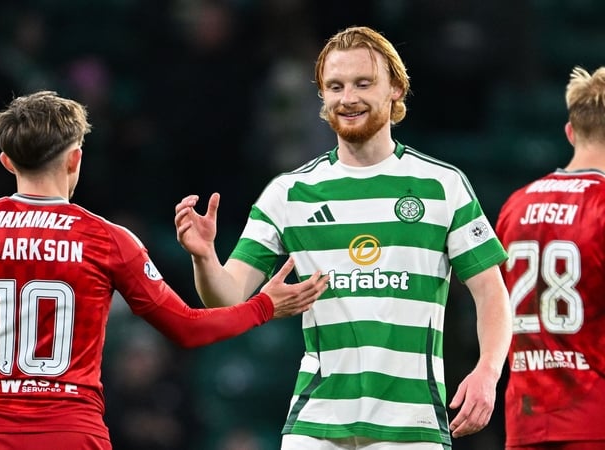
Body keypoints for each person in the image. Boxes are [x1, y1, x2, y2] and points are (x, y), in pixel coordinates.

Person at [0, 90, 328, 450]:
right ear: (75, 158)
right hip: (75, 434)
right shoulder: (107, 240)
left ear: (7, 162)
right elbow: (187, 329)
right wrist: (264, 306)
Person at [174, 25, 512, 449]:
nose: (347, 97)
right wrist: (204, 257)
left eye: (362, 83)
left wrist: (487, 372)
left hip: (411, 427)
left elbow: (491, 293)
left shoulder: (442, 185)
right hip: (315, 424)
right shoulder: (289, 193)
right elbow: (225, 297)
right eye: (334, 86)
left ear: (396, 89)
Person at [494, 66, 605, 450]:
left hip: (525, 420)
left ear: (570, 132)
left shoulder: (515, 205)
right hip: (595, 419)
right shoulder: (602, 204)